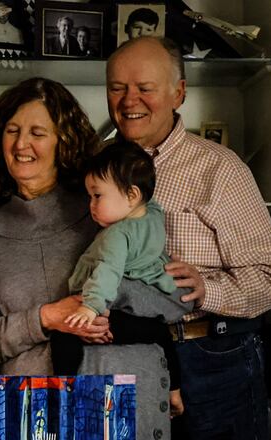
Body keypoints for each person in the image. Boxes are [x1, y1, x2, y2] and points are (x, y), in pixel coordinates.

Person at [0, 77, 182, 439]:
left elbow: (165, 298)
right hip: (22, 410)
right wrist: (48, 317)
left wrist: (106, 310)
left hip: (111, 404)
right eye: (12, 130)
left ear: (63, 140)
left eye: (38, 132)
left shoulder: (103, 211)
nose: (21, 144)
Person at [107, 36, 271, 439]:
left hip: (212, 359)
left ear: (178, 93)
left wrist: (207, 290)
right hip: (125, 359)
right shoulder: (97, 170)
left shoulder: (220, 170)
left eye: (145, 88)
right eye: (117, 87)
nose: (130, 100)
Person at [49, 141, 189, 417]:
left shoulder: (117, 235)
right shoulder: (153, 214)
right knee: (161, 336)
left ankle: (66, 394)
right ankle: (174, 390)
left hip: (121, 304)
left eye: (98, 196)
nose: (91, 205)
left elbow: (107, 272)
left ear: (132, 195)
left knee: (63, 336)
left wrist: (89, 307)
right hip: (159, 302)